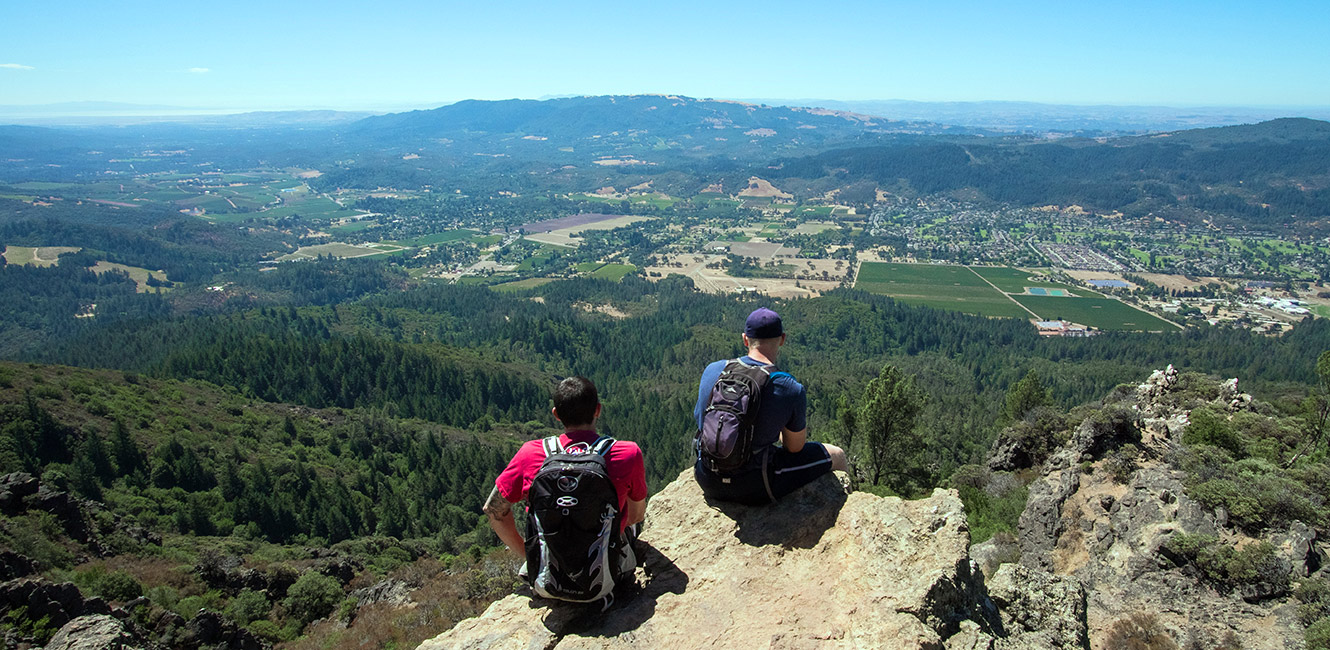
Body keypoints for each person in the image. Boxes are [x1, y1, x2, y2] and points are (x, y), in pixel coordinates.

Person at [484, 376, 648, 578]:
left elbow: (493, 510)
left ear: (556, 414)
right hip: (605, 576)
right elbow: (636, 516)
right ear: (598, 409)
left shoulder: (530, 454)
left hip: (548, 577)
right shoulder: (627, 453)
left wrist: (529, 556)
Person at [694, 307, 847, 505]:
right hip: (756, 486)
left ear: (745, 339)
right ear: (782, 339)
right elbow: (794, 448)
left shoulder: (714, 370)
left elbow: (701, 422)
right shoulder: (789, 387)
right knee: (838, 455)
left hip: (706, 478)